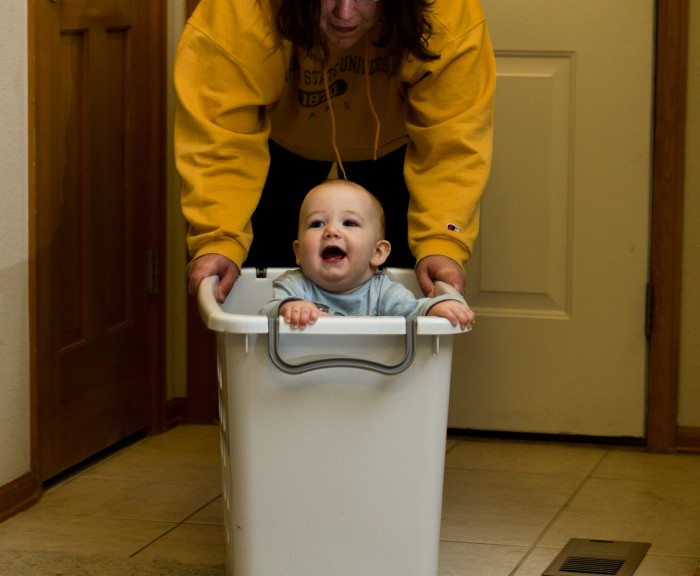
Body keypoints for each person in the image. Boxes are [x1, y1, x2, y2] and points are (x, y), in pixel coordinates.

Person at [175, 0, 495, 303]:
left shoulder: (444, 10)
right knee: (262, 285)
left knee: (403, 286)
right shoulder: (239, 11)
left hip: (395, 140)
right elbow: (221, 137)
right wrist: (216, 237)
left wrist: (445, 239)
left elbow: (453, 143)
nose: (345, 13)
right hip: (273, 143)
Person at [259, 179, 475, 330]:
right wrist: (287, 308)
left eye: (349, 223)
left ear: (378, 252)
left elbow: (413, 311)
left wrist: (440, 306)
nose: (331, 231)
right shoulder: (293, 285)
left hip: (369, 388)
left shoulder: (384, 291)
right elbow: (264, 314)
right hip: (303, 382)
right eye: (317, 223)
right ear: (298, 252)